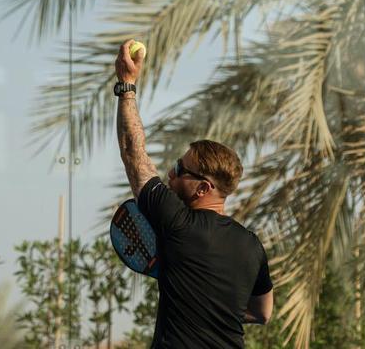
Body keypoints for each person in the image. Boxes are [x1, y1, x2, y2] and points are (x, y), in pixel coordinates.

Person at [113, 39, 274, 348]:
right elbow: (263, 312)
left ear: (204, 188)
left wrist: (126, 85)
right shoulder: (252, 246)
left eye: (180, 169)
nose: (170, 175)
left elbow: (134, 153)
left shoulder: (178, 223)